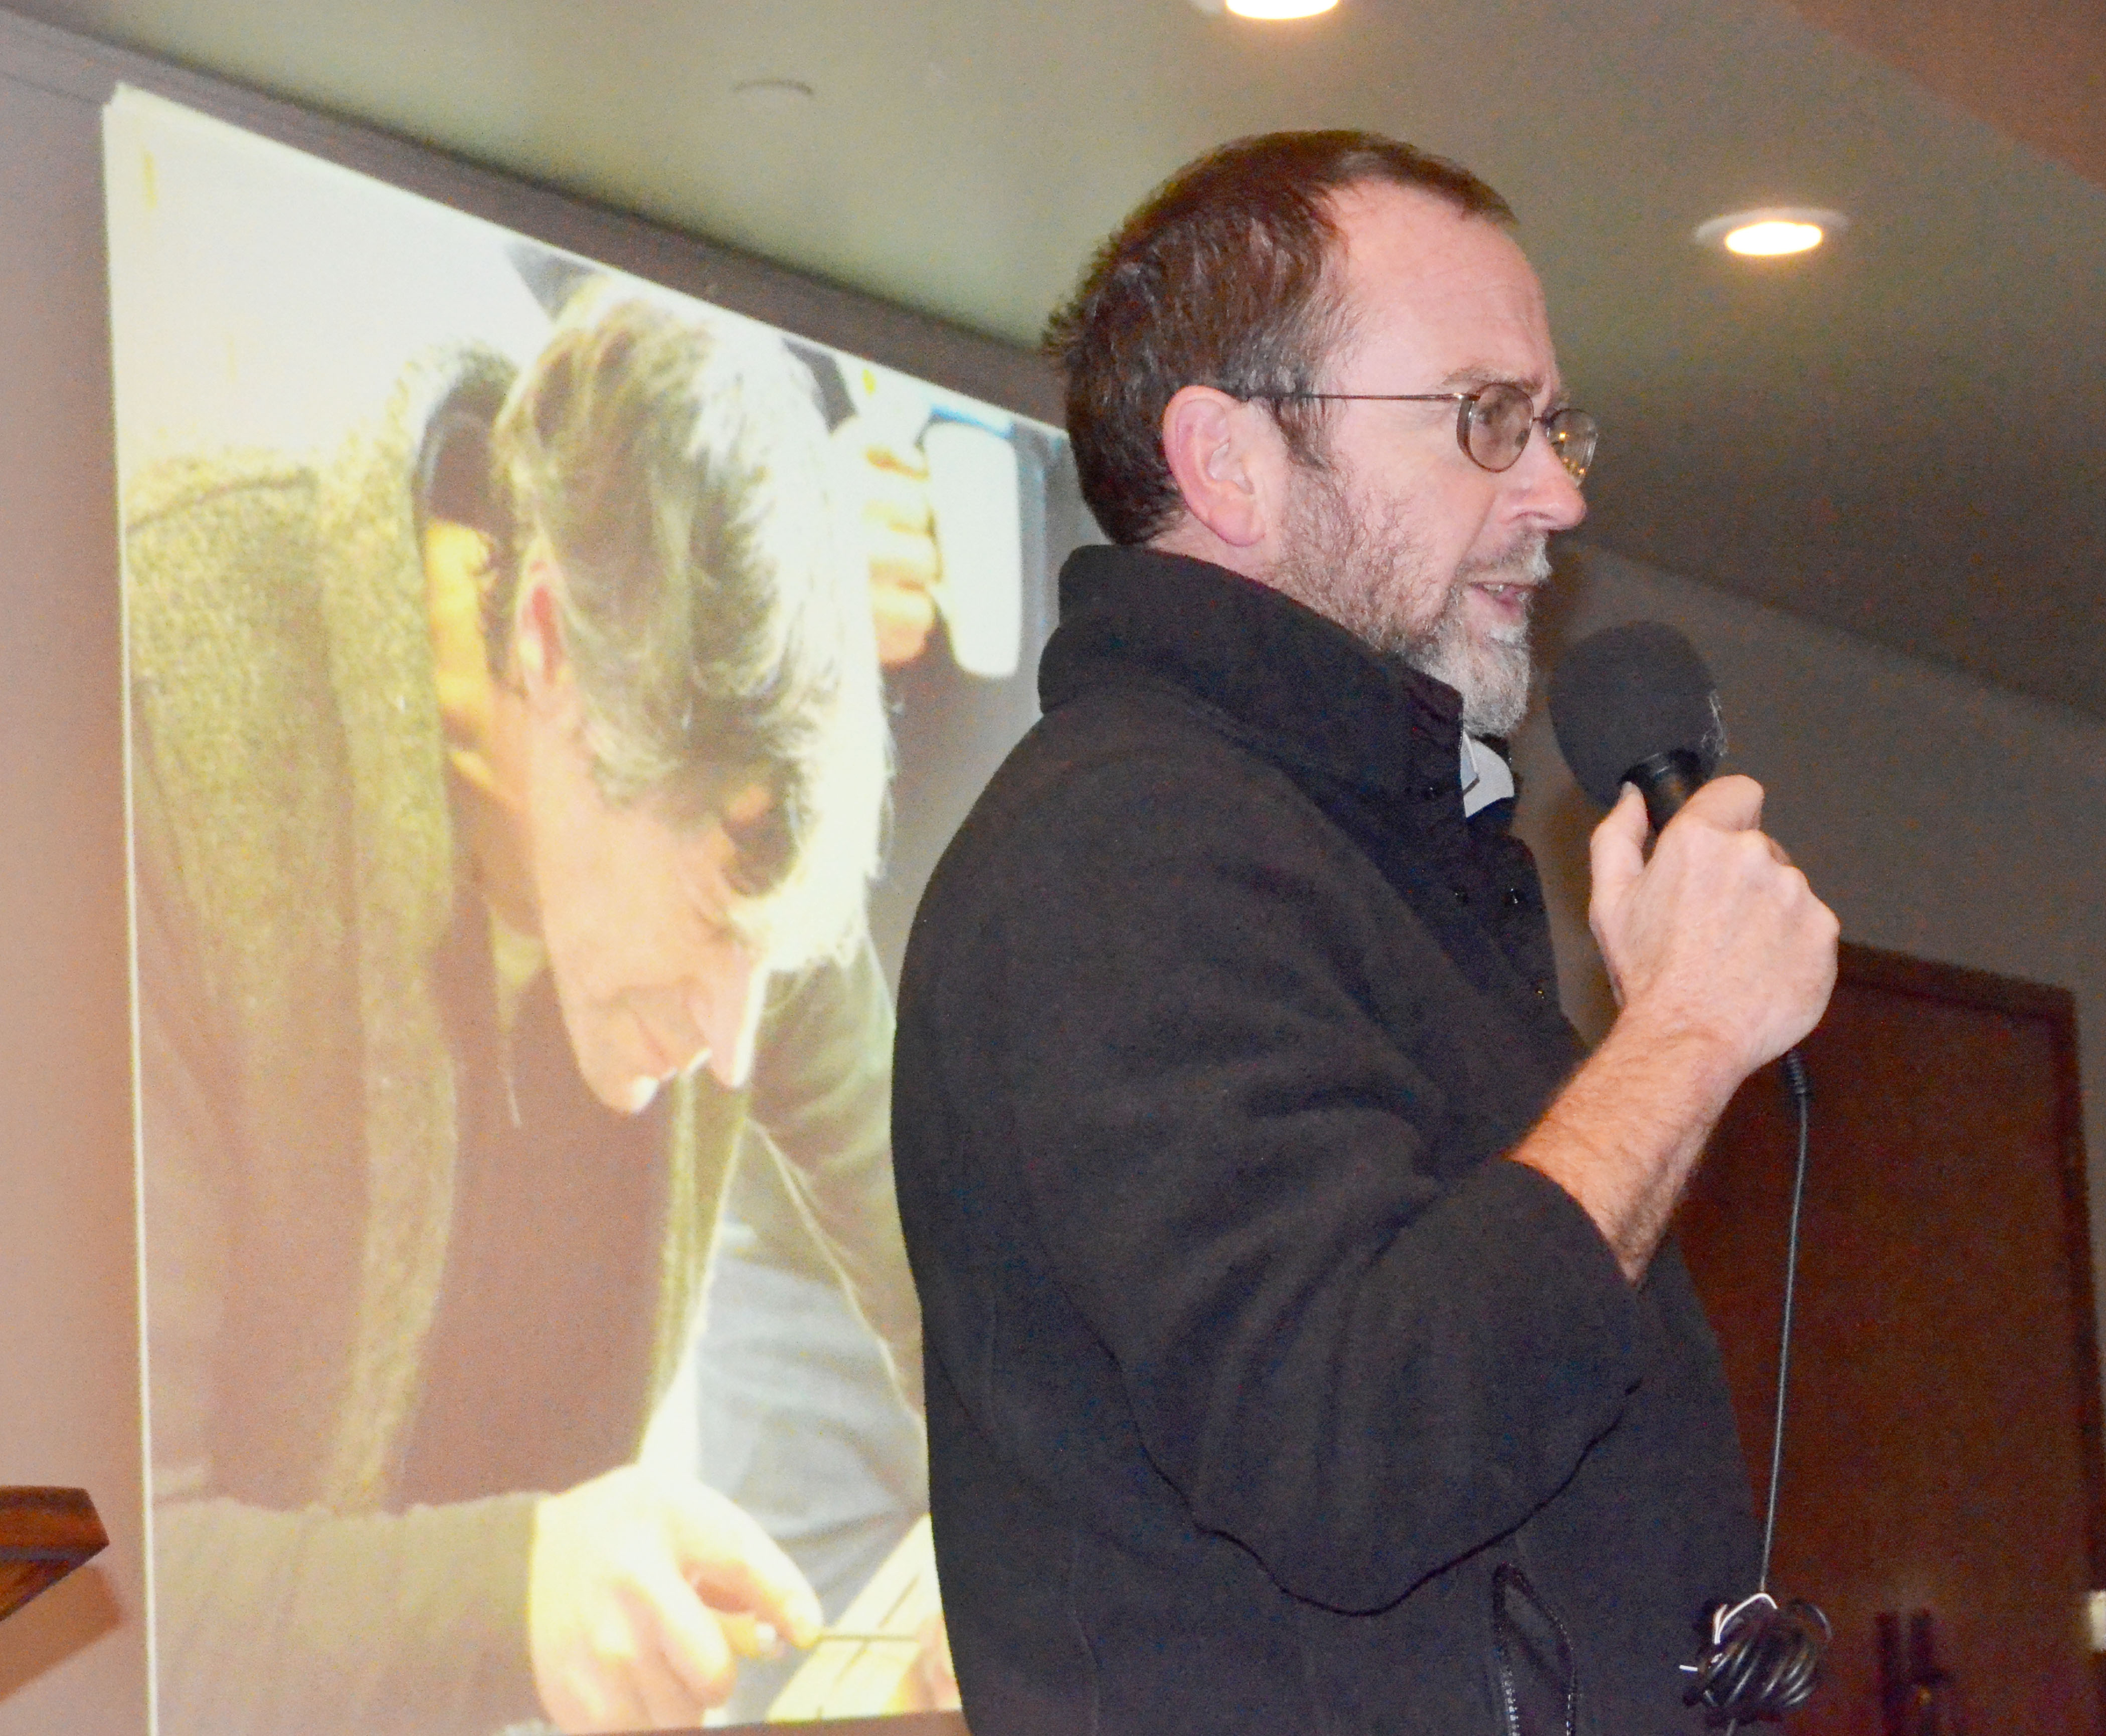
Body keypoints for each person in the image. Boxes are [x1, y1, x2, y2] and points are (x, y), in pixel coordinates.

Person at [891, 129, 1840, 1734]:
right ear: (1229, 464)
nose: (1559, 493)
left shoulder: (1365, 848)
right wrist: (1676, 1037)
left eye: (1552, 425)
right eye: (1486, 420)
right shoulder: (1123, 851)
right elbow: (1351, 1444)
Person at [128, 289, 918, 1735]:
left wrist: (1033, 1535)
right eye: (714, 930)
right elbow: (48, 1590)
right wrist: (513, 1602)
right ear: (546, 642)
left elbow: (967, 1263)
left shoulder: (722, 801)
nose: (738, 1047)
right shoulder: (154, 717)